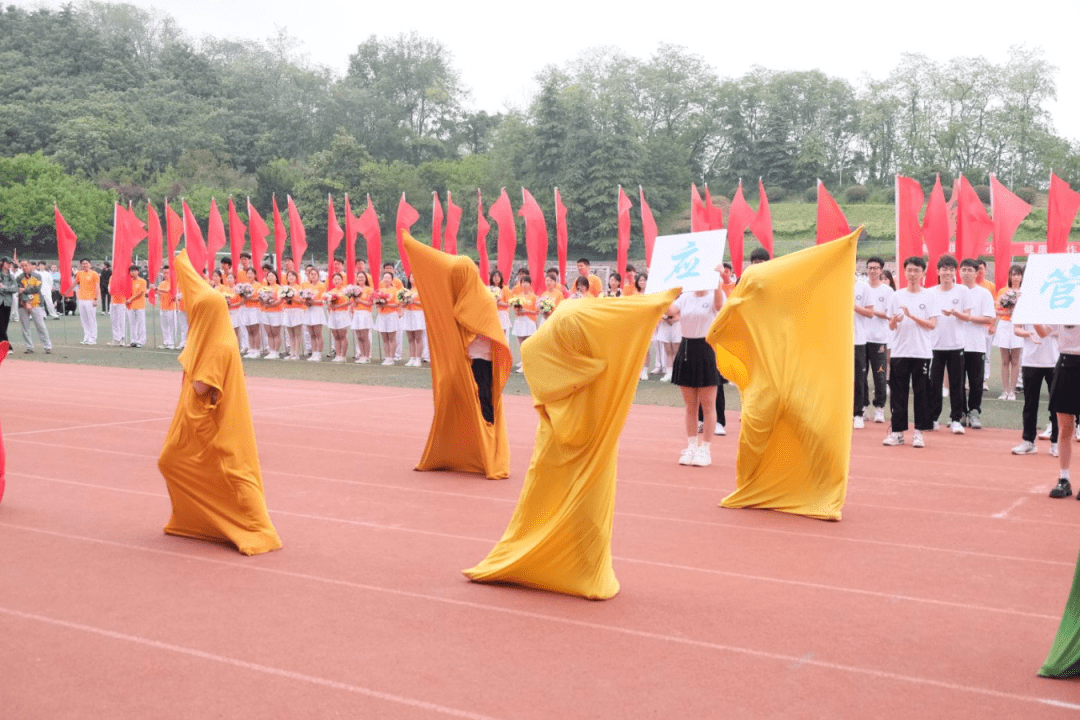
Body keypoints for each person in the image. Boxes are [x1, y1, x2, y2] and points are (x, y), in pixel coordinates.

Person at [464, 285, 680, 599]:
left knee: (544, 501)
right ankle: (580, 569)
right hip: (591, 448)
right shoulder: (593, 375)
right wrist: (662, 299)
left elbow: (542, 346)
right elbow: (620, 318)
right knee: (587, 510)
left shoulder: (556, 367)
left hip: (556, 450)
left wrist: (661, 300)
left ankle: (546, 562)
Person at [157, 251, 282, 555]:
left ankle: (257, 530)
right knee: (178, 463)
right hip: (206, 422)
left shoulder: (217, 345)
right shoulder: (217, 337)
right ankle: (200, 521)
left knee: (207, 467)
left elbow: (201, 387)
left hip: (211, 424)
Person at [403, 233, 511, 478]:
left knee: (484, 407)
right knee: (453, 403)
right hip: (465, 360)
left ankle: (489, 457)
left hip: (481, 361)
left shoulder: (481, 296)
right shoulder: (463, 294)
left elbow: (476, 324)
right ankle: (455, 452)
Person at [667, 276, 726, 466]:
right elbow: (669, 310)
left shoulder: (715, 294)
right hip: (686, 351)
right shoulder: (685, 297)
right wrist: (665, 288)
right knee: (690, 405)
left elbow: (718, 306)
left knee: (708, 404)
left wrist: (716, 279)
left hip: (707, 350)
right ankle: (691, 446)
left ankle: (705, 449)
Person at [883, 256, 937, 448]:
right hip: (900, 352)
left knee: (921, 393)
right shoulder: (896, 296)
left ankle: (919, 433)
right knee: (898, 393)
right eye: (909, 270)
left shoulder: (929, 296)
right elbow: (890, 326)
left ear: (923, 273)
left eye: (917, 270)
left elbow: (932, 324)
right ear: (904, 272)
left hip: (921, 352)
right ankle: (897, 432)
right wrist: (894, 321)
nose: (913, 274)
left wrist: (911, 316)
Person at [1039, 323, 1080, 499]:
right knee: (1064, 428)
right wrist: (1031, 316)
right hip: (1065, 365)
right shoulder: (1062, 308)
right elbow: (1042, 332)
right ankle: (1064, 479)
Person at [927, 255, 967, 433]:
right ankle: (933, 418)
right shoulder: (930, 292)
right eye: (944, 269)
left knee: (956, 383)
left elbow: (968, 316)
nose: (947, 272)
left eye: (951, 269)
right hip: (934, 345)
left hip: (956, 344)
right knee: (934, 383)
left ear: (955, 272)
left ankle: (956, 419)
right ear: (938, 271)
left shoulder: (962, 291)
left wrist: (955, 313)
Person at [957, 258, 995, 428]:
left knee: (976, 381)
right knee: (957, 381)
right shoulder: (954, 292)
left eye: (970, 270)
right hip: (956, 344)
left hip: (976, 344)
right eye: (963, 270)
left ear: (977, 272)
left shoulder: (983, 293)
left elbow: (988, 318)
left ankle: (974, 411)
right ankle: (961, 412)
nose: (966, 273)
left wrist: (969, 318)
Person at [1012, 324, 1059, 456]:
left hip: (1054, 360)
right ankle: (1029, 441)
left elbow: (1065, 330)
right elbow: (1016, 329)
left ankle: (1056, 442)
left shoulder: (1058, 304)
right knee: (1030, 403)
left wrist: (1049, 333)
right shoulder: (1026, 305)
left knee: (1056, 404)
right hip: (1030, 361)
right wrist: (1028, 334)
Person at [860, 258, 893, 424]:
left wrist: (871, 312)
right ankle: (862, 406)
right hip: (861, 339)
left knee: (879, 374)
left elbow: (889, 314)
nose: (872, 271)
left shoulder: (887, 291)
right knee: (861, 375)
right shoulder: (860, 287)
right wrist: (867, 311)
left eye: (876, 268)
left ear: (881, 270)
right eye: (870, 268)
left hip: (879, 339)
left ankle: (879, 408)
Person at [993, 264, 1025, 400]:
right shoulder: (1003, 291)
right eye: (1013, 274)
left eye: (1018, 274)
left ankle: (1012, 391)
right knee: (1005, 360)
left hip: (1018, 326)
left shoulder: (1025, 292)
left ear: (1022, 276)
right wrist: (1008, 311)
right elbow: (996, 310)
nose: (1016, 277)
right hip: (1005, 325)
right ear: (1010, 276)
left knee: (1015, 360)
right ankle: (1005, 390)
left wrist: (1017, 312)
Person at [16, 260, 51, 354]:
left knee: (41, 326)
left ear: (30, 266)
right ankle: (29, 347)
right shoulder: (19, 277)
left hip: (36, 303)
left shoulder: (37, 276)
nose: (24, 267)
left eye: (26, 265)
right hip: (22, 304)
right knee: (25, 327)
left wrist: (25, 290)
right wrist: (26, 301)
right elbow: (19, 291)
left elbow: (37, 289)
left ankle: (47, 347)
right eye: (22, 266)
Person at [510, 275, 538, 372]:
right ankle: (523, 364)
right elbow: (515, 311)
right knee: (521, 345)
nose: (525, 284)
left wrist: (526, 311)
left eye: (527, 282)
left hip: (529, 322)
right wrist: (519, 310)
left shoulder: (533, 297)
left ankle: (529, 364)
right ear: (520, 284)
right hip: (520, 321)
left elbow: (536, 311)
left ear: (530, 284)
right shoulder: (518, 297)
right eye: (523, 282)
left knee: (528, 345)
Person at [375, 270, 401, 364]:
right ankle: (387, 356)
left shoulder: (395, 291)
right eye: (384, 277)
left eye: (388, 278)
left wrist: (385, 305)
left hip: (391, 315)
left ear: (392, 279)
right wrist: (378, 304)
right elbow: (376, 305)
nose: (386, 279)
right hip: (382, 315)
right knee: (385, 338)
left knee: (391, 337)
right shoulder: (379, 291)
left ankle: (391, 357)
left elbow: (396, 305)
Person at [324, 273, 351, 363]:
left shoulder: (346, 291)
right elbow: (328, 302)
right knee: (336, 336)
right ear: (332, 281)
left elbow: (349, 302)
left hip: (342, 313)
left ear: (342, 280)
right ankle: (338, 354)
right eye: (335, 279)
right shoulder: (331, 292)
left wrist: (338, 306)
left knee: (342, 335)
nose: (337, 281)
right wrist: (330, 304)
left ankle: (343, 355)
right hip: (333, 314)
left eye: (338, 279)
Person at [73, 258, 100, 344]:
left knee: (91, 319)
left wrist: (95, 299)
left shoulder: (94, 274)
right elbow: (75, 283)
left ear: (90, 264)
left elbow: (97, 287)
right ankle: (86, 337)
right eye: (83, 264)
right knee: (84, 319)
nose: (85, 265)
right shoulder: (79, 274)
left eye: (86, 263)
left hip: (90, 299)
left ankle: (93, 338)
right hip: (81, 299)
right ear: (81, 265)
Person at [401, 274, 426, 367]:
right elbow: (402, 305)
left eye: (415, 277)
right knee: (410, 338)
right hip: (408, 313)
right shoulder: (407, 291)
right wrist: (404, 302)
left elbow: (424, 304)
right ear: (409, 279)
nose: (413, 279)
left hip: (418, 314)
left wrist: (414, 301)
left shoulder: (421, 290)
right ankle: (412, 358)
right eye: (412, 277)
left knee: (418, 337)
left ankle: (418, 358)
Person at [349, 270, 374, 363]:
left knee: (364, 335)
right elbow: (353, 304)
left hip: (365, 313)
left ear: (366, 279)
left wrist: (360, 300)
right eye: (359, 277)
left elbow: (370, 304)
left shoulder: (369, 289)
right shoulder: (354, 290)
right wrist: (355, 298)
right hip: (357, 313)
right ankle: (362, 355)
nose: (360, 279)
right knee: (359, 336)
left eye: (362, 277)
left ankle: (367, 356)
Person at [302, 266, 326, 362]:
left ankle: (319, 353)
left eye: (314, 274)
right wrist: (306, 301)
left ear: (318, 275)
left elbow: (323, 300)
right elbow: (303, 299)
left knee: (317, 333)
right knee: (311, 334)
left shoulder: (321, 285)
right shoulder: (307, 286)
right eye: (311, 274)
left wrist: (313, 302)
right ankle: (314, 352)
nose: (313, 276)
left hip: (317, 310)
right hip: (309, 310)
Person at [259, 268, 284, 359]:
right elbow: (261, 300)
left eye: (272, 276)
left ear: (276, 278)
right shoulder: (264, 288)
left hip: (276, 312)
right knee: (269, 332)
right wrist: (263, 303)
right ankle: (271, 350)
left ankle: (276, 351)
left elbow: (279, 300)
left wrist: (270, 305)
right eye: (268, 276)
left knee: (275, 332)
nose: (270, 278)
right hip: (265, 312)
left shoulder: (279, 288)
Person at [281, 269, 305, 361]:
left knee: (297, 334)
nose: (291, 277)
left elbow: (301, 301)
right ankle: (292, 353)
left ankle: (296, 353)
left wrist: (292, 298)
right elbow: (282, 299)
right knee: (290, 334)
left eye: (293, 275)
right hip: (287, 311)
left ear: (296, 277)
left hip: (297, 311)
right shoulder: (284, 288)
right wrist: (286, 299)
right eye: (289, 276)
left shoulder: (299, 288)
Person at [125, 264, 148, 348]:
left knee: (141, 323)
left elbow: (141, 293)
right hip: (131, 306)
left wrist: (130, 299)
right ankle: (133, 340)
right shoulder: (129, 282)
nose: (133, 272)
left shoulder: (142, 281)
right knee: (132, 324)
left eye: (134, 271)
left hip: (139, 305)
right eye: (131, 271)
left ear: (138, 272)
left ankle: (141, 341)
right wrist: (127, 300)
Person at [489, 269, 511, 343]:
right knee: (493, 335)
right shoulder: (489, 289)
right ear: (491, 278)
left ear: (501, 278)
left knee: (503, 336)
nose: (496, 278)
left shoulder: (505, 289)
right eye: (494, 276)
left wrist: (499, 303)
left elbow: (509, 303)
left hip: (502, 313)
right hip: (493, 313)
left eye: (498, 276)